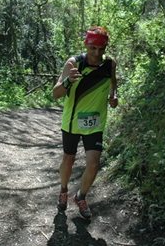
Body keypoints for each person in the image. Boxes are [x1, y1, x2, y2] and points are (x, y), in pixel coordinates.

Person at [53, 26, 118, 220]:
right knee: (69, 160)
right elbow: (55, 94)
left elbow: (113, 85)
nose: (97, 54)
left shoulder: (110, 64)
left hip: (95, 124)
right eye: (93, 49)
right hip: (72, 122)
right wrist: (67, 83)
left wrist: (114, 97)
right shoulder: (74, 64)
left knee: (93, 165)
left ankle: (80, 196)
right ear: (86, 45)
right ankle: (63, 190)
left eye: (101, 49)